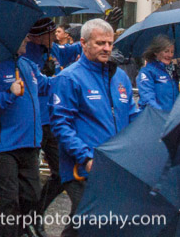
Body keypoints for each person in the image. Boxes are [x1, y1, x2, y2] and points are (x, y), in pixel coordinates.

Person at [50, 18, 136, 237]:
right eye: (100, 43)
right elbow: (61, 125)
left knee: (85, 226)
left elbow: (133, 116)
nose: (106, 48)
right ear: (83, 43)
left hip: (114, 166)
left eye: (109, 43)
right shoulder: (69, 78)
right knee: (91, 223)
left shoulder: (120, 77)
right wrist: (86, 158)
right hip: (82, 168)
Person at [0, 38, 52, 237]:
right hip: (1, 147)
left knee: (32, 198)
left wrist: (71, 75)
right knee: (9, 201)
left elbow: (47, 86)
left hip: (29, 145)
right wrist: (9, 93)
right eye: (23, 36)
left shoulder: (27, 65)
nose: (28, 39)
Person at [21, 19, 64, 227]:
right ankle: (6, 223)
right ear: (37, 36)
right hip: (35, 120)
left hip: (52, 120)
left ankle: (35, 216)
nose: (55, 37)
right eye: (50, 33)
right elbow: (34, 85)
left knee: (61, 172)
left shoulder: (52, 49)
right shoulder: (26, 53)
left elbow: (74, 50)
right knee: (30, 181)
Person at [137, 35, 179, 112]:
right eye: (166, 51)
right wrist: (161, 115)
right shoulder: (147, 72)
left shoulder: (175, 71)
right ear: (156, 52)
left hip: (172, 120)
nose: (169, 55)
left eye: (172, 52)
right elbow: (147, 98)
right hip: (156, 118)